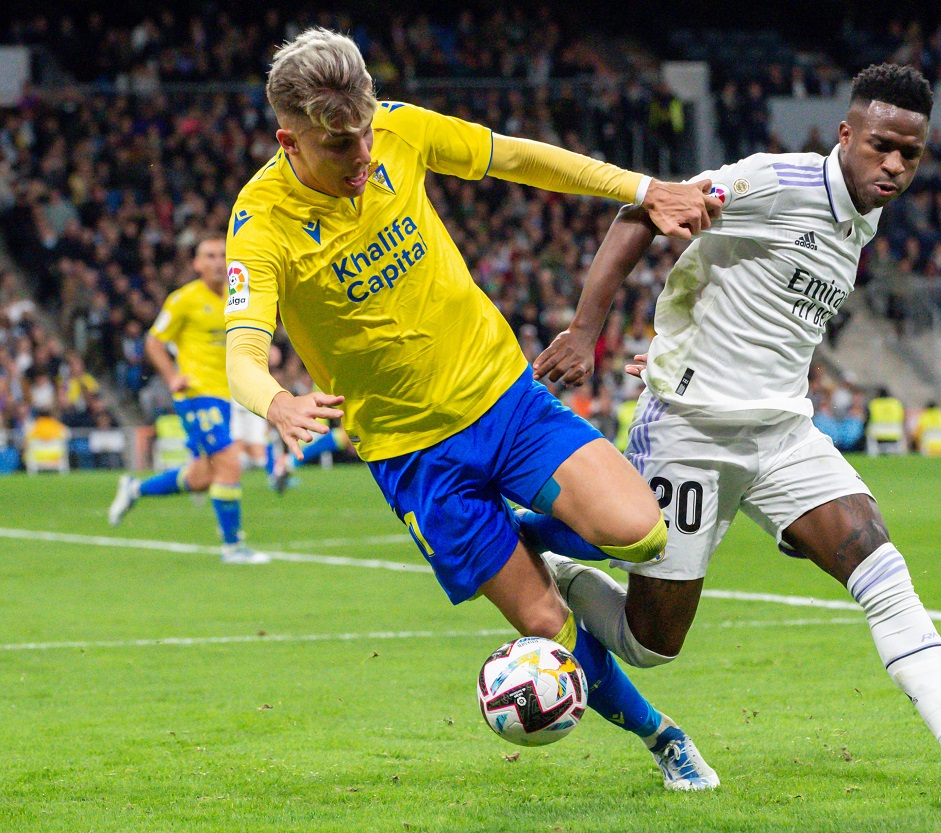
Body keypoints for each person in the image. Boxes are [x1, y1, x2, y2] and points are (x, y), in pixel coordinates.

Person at [223, 28, 723, 791]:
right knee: (546, 626)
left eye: (364, 137)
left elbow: (520, 157)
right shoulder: (261, 225)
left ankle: (519, 540)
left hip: (503, 398)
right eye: (338, 148)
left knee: (643, 532)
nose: (362, 159)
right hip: (414, 457)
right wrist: (278, 400)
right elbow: (240, 353)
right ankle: (664, 738)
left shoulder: (395, 128)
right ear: (289, 140)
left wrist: (641, 188)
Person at [530, 63, 941, 798]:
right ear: (845, 134)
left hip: (782, 432)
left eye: (911, 153)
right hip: (691, 432)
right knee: (651, 646)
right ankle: (564, 573)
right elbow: (647, 212)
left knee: (882, 569)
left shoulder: (867, 210)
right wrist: (587, 331)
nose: (894, 165)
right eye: (880, 146)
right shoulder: (774, 181)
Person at [108, 237, 268, 565]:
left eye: (223, 255)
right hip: (197, 395)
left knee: (201, 477)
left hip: (228, 395)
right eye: (209, 256)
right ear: (196, 264)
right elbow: (154, 342)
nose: (217, 261)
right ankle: (233, 546)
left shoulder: (238, 297)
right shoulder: (183, 299)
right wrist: (172, 378)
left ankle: (134, 490)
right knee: (228, 460)